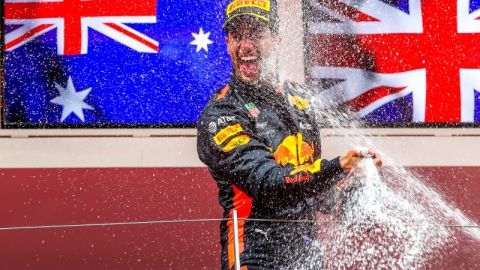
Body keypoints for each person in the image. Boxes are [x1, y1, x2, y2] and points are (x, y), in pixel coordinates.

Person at [197, 0, 382, 269]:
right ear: (227, 43)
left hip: (307, 255)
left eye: (257, 34)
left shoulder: (300, 100)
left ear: (277, 39)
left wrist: (360, 182)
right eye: (237, 36)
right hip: (254, 255)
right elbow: (269, 185)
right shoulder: (222, 113)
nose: (246, 45)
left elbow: (315, 190)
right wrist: (338, 166)